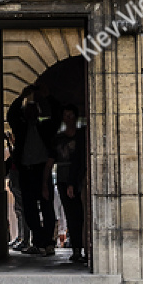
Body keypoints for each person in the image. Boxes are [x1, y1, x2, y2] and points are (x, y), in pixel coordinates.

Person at [6, 87, 57, 257]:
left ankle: (47, 242)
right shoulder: (20, 128)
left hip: (42, 171)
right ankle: (41, 240)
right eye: (28, 109)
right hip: (26, 172)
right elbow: (11, 115)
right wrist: (22, 96)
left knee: (47, 207)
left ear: (38, 112)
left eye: (34, 109)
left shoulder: (45, 127)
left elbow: (57, 116)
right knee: (29, 210)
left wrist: (47, 96)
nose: (31, 113)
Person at [55, 104, 87, 265]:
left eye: (71, 115)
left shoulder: (82, 136)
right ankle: (76, 249)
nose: (68, 119)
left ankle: (84, 248)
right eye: (65, 116)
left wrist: (73, 182)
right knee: (71, 215)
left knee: (82, 216)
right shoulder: (59, 137)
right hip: (64, 180)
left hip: (79, 179)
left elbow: (78, 161)